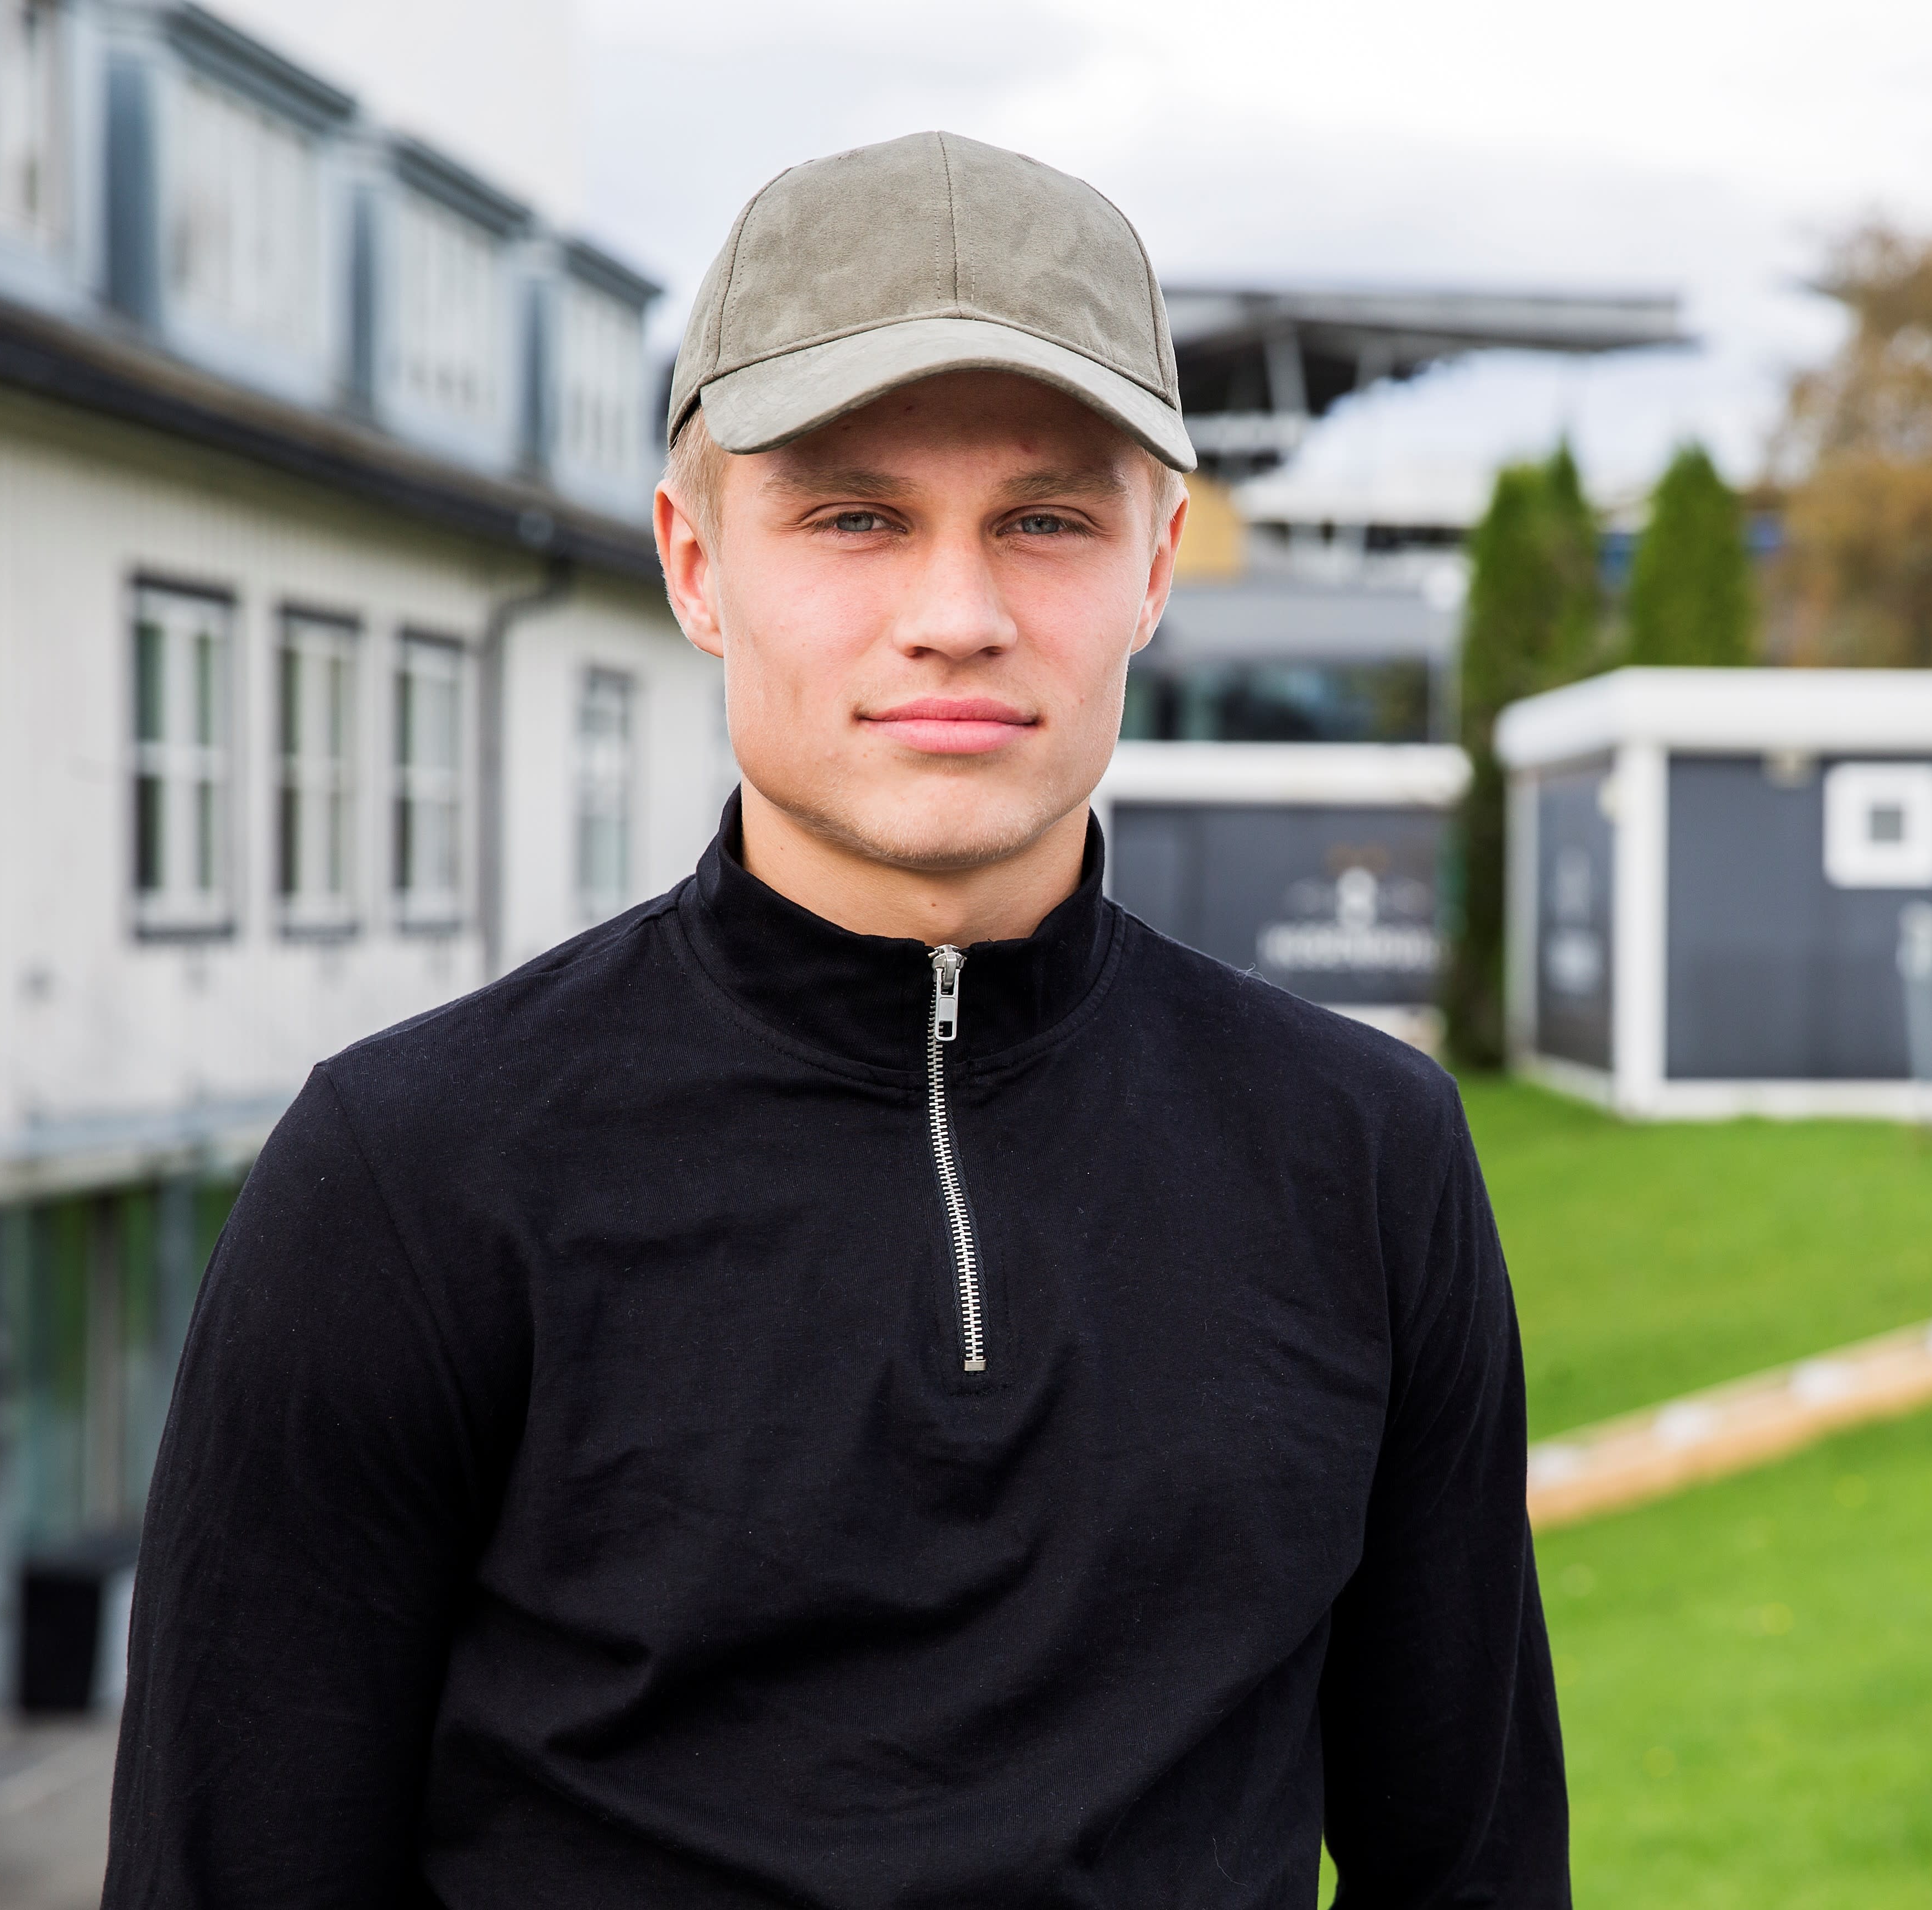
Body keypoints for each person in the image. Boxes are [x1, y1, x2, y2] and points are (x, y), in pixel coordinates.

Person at [102, 132, 1566, 1908]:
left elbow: (1474, 1866)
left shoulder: (1362, 1158)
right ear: (696, 564)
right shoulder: (409, 1178)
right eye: (856, 517)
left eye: (1045, 519)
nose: (957, 616)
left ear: (1157, 564)